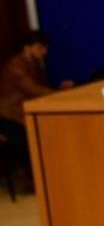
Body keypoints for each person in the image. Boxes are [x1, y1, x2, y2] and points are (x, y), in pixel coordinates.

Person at [0, 31, 71, 185]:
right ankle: (36, 181)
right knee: (27, 143)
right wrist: (61, 93)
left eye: (45, 48)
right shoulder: (15, 67)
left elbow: (41, 89)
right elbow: (33, 90)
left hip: (25, 110)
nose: (44, 52)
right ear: (27, 48)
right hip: (10, 115)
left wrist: (60, 90)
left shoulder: (35, 64)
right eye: (40, 48)